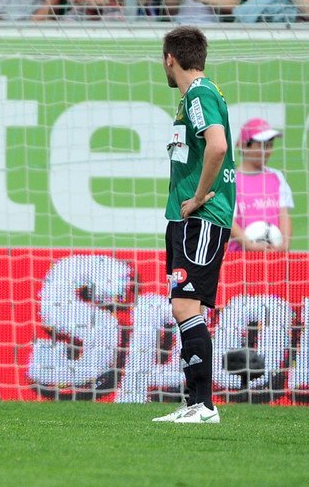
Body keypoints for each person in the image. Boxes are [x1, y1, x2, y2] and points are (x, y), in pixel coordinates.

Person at [155, 26, 235, 424]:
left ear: (170, 58)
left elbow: (217, 145)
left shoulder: (199, 94)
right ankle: (195, 404)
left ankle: (204, 406)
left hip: (200, 217)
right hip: (186, 218)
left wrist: (200, 196)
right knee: (185, 306)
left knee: (186, 304)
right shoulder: (195, 97)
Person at [229, 118, 293, 251]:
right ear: (244, 146)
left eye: (270, 145)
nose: (267, 151)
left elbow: (284, 214)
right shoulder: (231, 179)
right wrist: (249, 245)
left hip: (273, 256)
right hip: (238, 257)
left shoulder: (276, 177)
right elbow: (228, 220)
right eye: (262, 145)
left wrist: (284, 245)